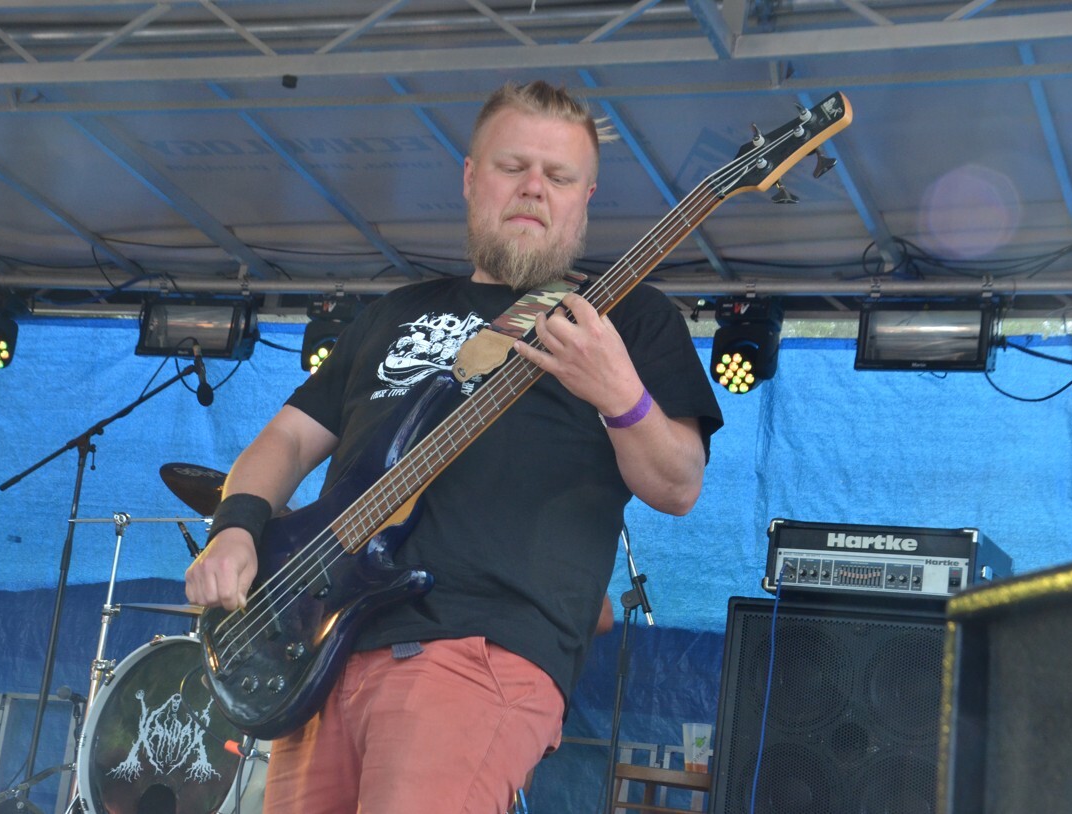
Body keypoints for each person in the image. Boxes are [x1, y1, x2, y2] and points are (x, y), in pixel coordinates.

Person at [184, 80, 723, 814]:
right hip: (323, 651)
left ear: (585, 198)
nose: (534, 189)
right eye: (513, 167)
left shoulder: (626, 318)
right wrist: (236, 528)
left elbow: (679, 484)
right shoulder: (394, 313)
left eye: (559, 176)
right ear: (470, 178)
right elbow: (287, 436)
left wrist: (619, 394)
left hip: (477, 651)